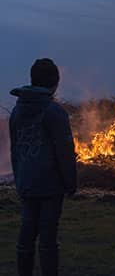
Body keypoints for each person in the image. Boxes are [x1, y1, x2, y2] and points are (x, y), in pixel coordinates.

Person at [10, 58, 77, 276]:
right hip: (50, 186)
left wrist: (19, 177)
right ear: (55, 83)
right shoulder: (54, 113)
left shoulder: (17, 111)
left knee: (26, 232)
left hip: (26, 182)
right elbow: (65, 152)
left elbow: (15, 149)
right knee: (48, 239)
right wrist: (70, 183)